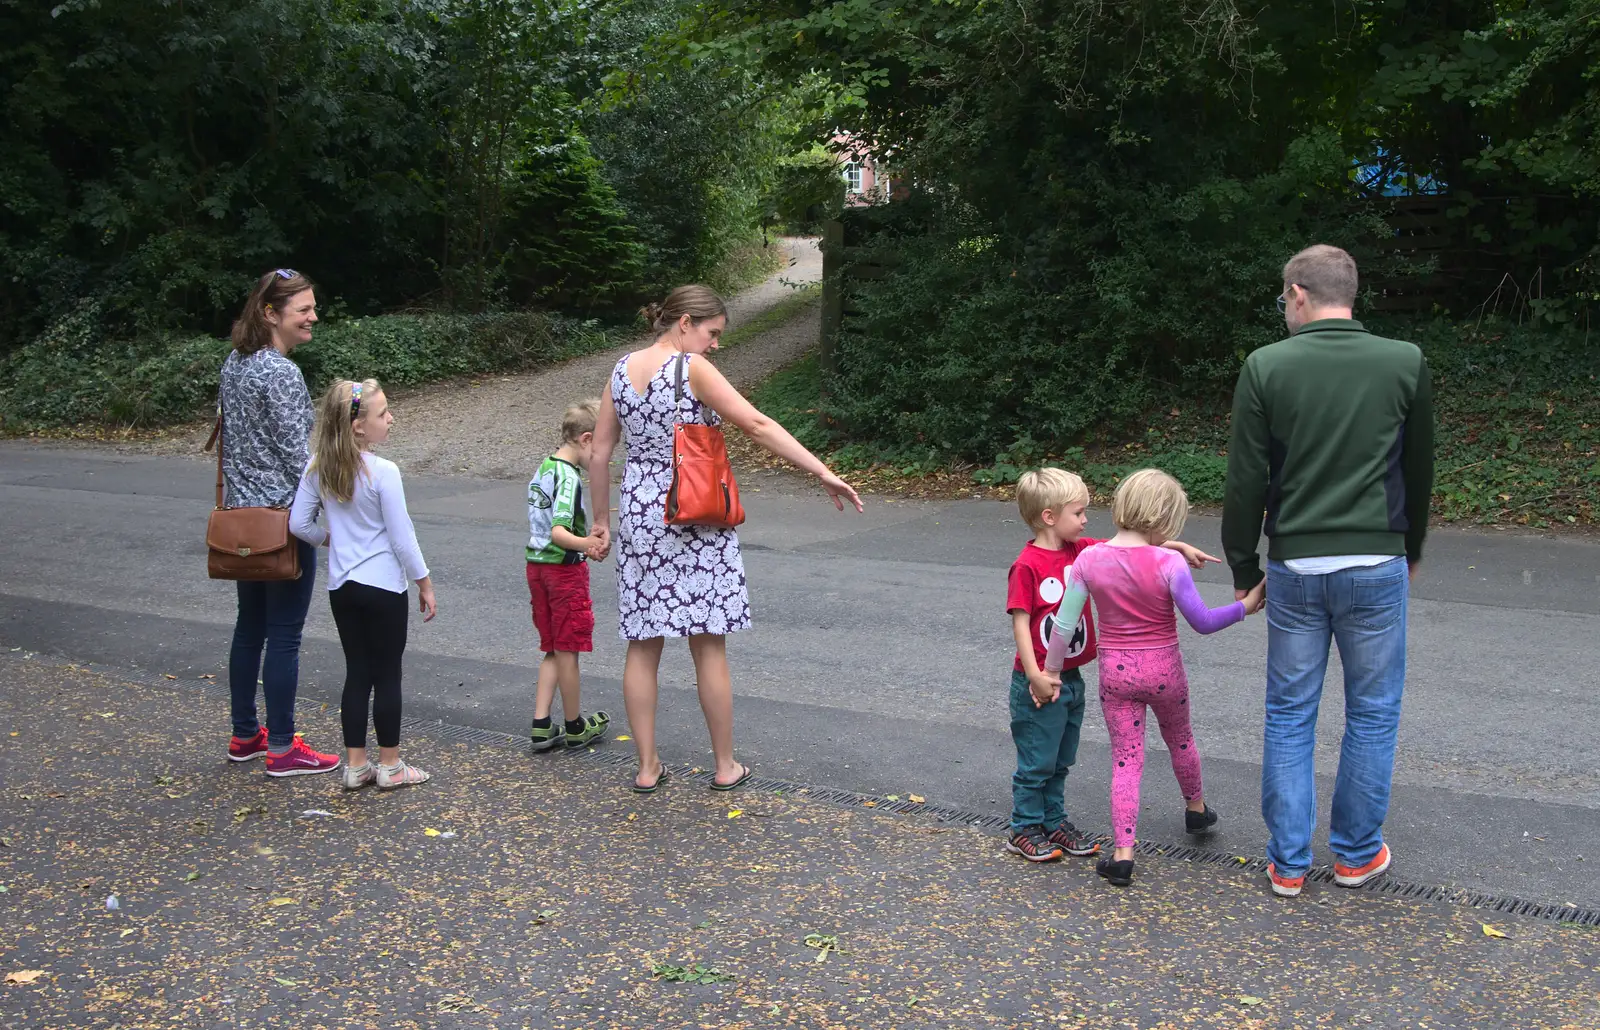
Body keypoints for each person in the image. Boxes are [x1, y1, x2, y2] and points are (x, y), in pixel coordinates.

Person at [587, 284, 862, 794]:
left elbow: (600, 454)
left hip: (644, 515)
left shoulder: (621, 371)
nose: (715, 344)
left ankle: (647, 768)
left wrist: (601, 521)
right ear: (686, 322)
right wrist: (821, 470)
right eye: (713, 333)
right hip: (695, 512)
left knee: (643, 644)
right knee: (708, 643)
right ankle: (725, 766)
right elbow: (756, 424)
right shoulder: (691, 369)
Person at [1221, 244, 1434, 898]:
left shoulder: (1265, 367)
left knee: (1290, 711)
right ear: (1352, 293)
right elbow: (1418, 468)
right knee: (1373, 710)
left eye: (1283, 298)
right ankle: (1355, 855)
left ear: (1298, 293)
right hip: (1377, 560)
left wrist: (1241, 564)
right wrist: (1413, 547)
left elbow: (1246, 480)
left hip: (1295, 565)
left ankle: (1287, 862)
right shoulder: (1404, 362)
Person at [1046, 469, 1264, 887]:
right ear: (1165, 520)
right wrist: (1245, 607)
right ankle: (1196, 809)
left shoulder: (1087, 561)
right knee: (1180, 739)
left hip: (1116, 674)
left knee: (1127, 760)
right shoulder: (1169, 562)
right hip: (1165, 670)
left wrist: (1053, 671)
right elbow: (1201, 621)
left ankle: (1123, 853)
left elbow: (1063, 624)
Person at [219, 268, 340, 778]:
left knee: (250, 628)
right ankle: (284, 748)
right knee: (285, 634)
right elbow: (299, 461)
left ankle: (245, 735)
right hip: (282, 524)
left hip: (240, 523)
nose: (314, 316)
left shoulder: (235, 363)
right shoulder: (282, 373)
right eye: (303, 309)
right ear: (271, 314)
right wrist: (332, 513)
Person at [290, 379, 438, 790]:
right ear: (358, 426)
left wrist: (329, 539)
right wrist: (424, 582)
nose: (391, 418)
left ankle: (356, 765)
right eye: (382, 413)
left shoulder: (318, 466)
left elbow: (299, 524)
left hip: (343, 586)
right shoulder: (383, 472)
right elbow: (402, 537)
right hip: (384, 587)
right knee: (388, 673)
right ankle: (390, 765)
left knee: (357, 672)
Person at [526, 399, 611, 752]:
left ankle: (542, 723)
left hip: (537, 568)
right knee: (569, 649)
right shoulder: (569, 477)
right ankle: (575, 725)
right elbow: (559, 532)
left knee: (553, 648)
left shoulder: (545, 467)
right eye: (603, 448)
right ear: (587, 439)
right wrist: (589, 543)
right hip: (563, 572)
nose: (603, 459)